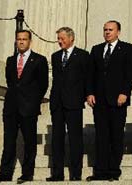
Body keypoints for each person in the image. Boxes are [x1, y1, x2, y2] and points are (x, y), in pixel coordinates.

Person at [0, 30, 48, 184]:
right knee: (8, 141)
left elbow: (43, 85)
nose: (21, 42)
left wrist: (33, 102)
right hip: (11, 107)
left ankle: (27, 174)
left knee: (29, 142)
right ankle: (5, 174)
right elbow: (11, 82)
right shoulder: (10, 60)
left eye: (24, 39)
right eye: (18, 39)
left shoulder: (39, 60)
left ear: (30, 41)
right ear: (16, 41)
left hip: (28, 108)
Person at [86, 20, 132, 181]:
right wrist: (89, 93)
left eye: (110, 30)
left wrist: (125, 93)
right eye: (105, 30)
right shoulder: (96, 49)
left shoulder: (127, 49)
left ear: (118, 32)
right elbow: (90, 74)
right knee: (101, 136)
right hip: (99, 100)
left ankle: (113, 170)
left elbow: (130, 73)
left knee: (116, 135)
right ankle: (100, 171)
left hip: (118, 100)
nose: (107, 32)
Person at [46, 27, 89, 181]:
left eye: (62, 38)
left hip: (74, 103)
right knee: (57, 139)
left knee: (75, 139)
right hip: (57, 103)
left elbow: (87, 78)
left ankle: (76, 174)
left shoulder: (83, 56)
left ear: (71, 38)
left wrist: (87, 95)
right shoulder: (55, 56)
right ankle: (57, 174)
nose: (59, 41)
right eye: (58, 38)